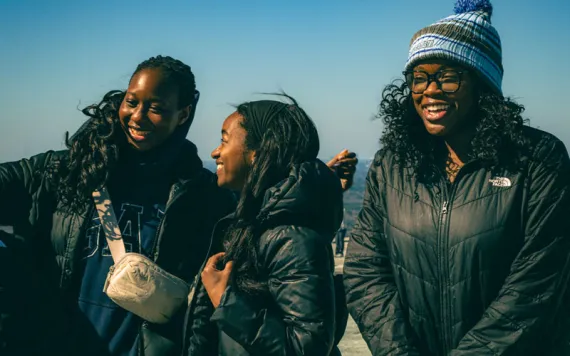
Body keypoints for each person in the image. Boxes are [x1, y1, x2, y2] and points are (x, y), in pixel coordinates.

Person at [0, 55, 355, 356]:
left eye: (156, 108)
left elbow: (265, 200)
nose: (138, 116)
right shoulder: (65, 170)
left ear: (183, 114)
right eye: (132, 101)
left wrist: (317, 180)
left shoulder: (204, 197)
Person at [343, 1, 570, 355]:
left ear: (482, 83)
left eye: (448, 77)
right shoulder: (392, 165)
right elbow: (365, 268)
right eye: (419, 77)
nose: (430, 90)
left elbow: (538, 282)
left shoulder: (536, 160)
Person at [186, 95, 344, 356]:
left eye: (224, 140)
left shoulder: (291, 238)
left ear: (257, 155)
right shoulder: (254, 222)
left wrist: (226, 301)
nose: (215, 151)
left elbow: (308, 348)